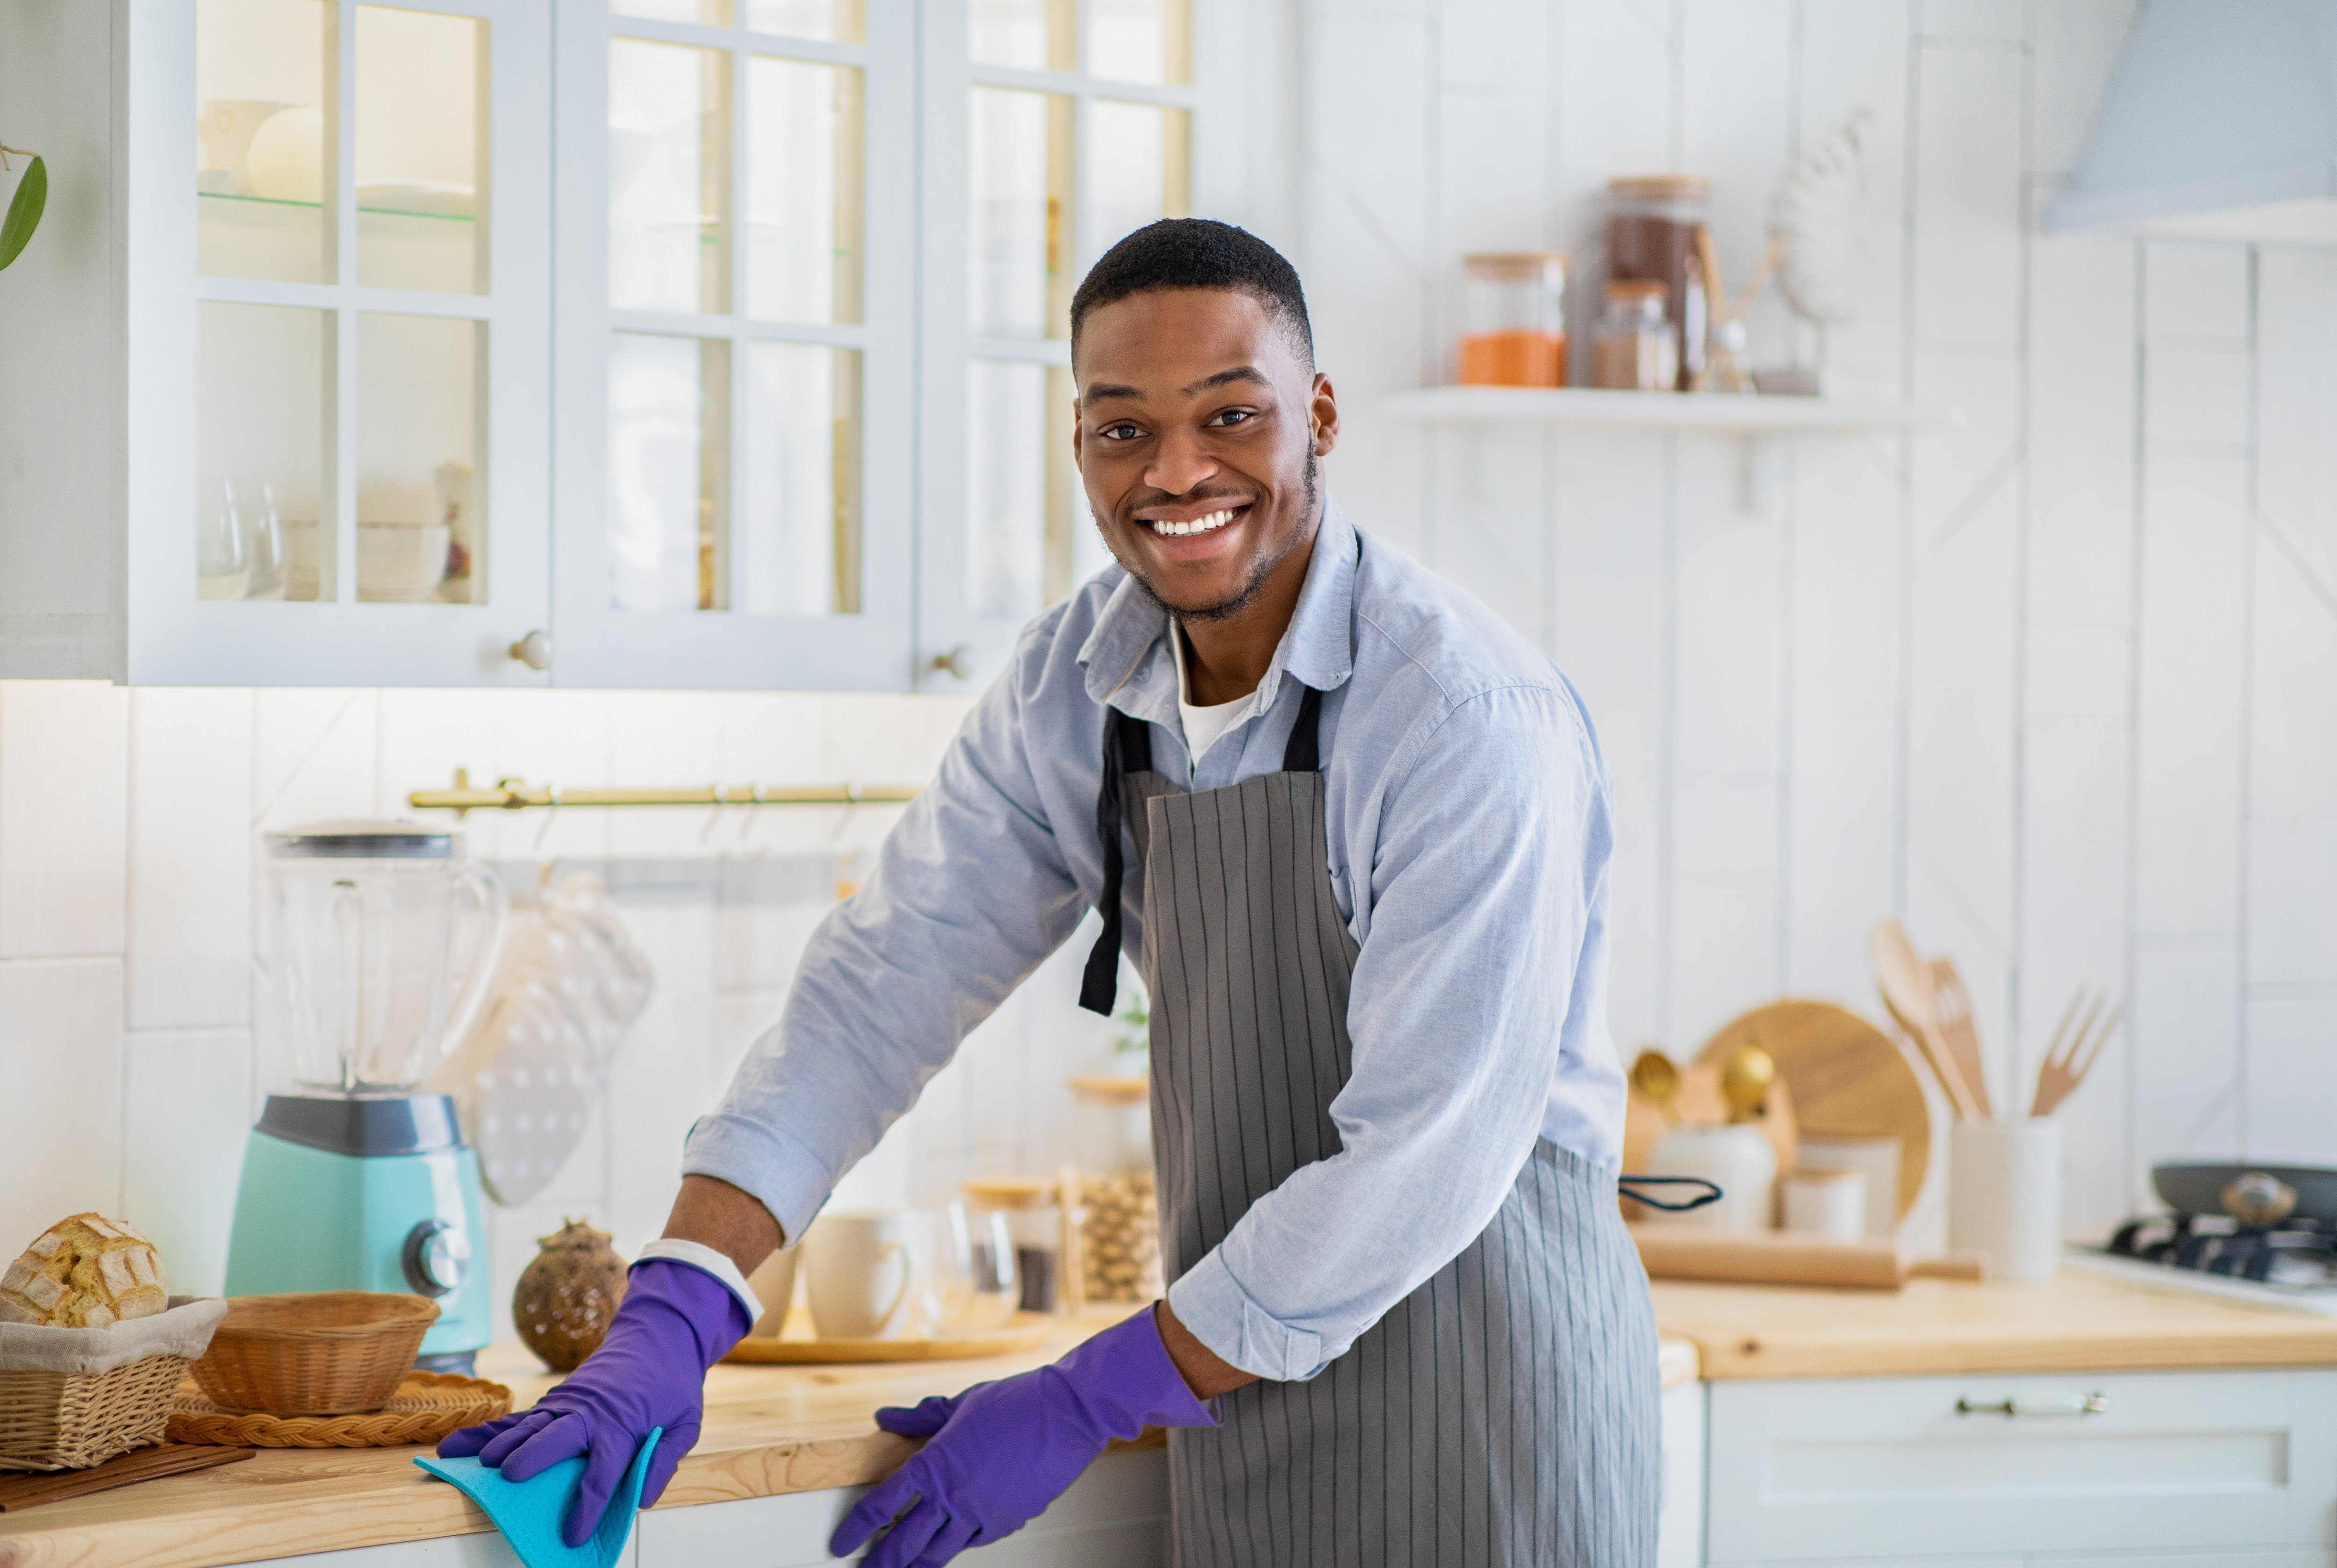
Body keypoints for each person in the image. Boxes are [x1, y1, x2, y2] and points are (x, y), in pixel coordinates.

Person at [440, 218, 1659, 1567]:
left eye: (1232, 415)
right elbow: (876, 994)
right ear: (1078, 441)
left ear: (1317, 414)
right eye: (1123, 427)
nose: (1179, 470)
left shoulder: (1461, 717)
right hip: (1239, 1407)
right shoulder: (1078, 687)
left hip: (1487, 1416)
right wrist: (679, 1300)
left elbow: (1421, 1159)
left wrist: (1092, 1391)